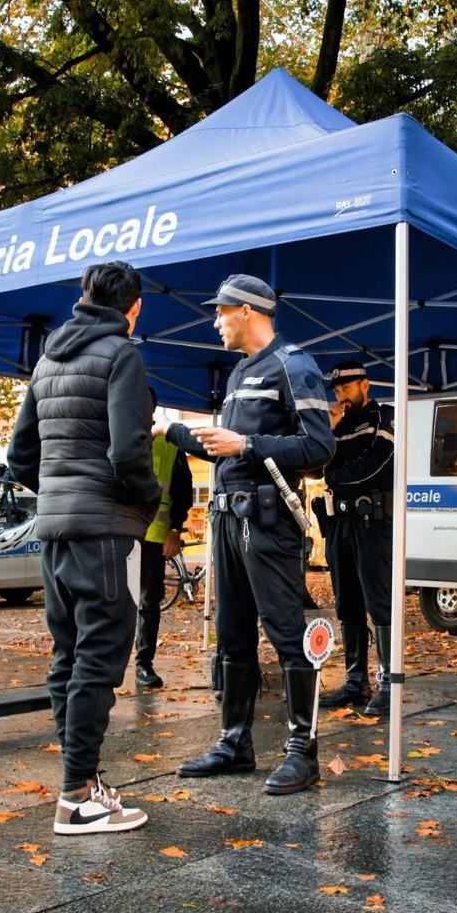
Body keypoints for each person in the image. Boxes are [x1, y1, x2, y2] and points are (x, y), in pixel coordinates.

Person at [165, 274, 335, 795]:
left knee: (286, 633)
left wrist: (247, 442)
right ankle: (234, 742)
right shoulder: (240, 372)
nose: (215, 321)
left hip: (266, 521)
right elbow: (229, 450)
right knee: (233, 634)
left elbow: (319, 447)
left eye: (220, 312)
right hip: (225, 516)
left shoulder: (295, 364)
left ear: (245, 311)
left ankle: (303, 753)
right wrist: (172, 430)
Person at [7, 260, 160, 835]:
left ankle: (83, 781)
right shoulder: (122, 355)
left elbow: (20, 457)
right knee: (99, 658)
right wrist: (150, 499)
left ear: (83, 296)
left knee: (67, 655)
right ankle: (75, 796)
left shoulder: (48, 359)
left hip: (56, 532)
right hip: (107, 531)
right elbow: (127, 453)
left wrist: (59, 494)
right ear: (134, 306)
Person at [315, 360, 396, 716]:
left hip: (371, 521)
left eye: (346, 388)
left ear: (364, 385)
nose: (341, 395)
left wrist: (334, 475)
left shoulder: (384, 417)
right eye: (336, 390)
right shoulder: (335, 423)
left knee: (379, 601)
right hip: (339, 523)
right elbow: (313, 463)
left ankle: (389, 682)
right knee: (346, 602)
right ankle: (355, 680)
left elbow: (376, 464)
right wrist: (326, 429)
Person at [135, 388, 194, 690]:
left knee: (149, 602)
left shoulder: (169, 443)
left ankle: (143, 664)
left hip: (154, 536)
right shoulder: (114, 433)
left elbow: (183, 488)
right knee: (110, 601)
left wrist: (175, 530)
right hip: (117, 533)